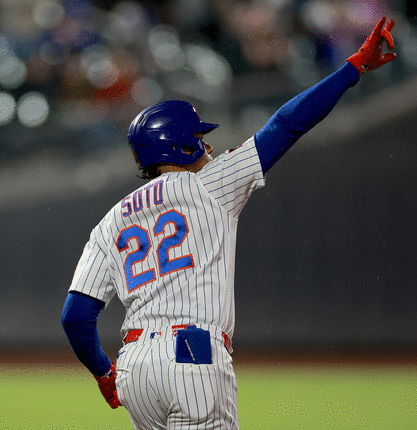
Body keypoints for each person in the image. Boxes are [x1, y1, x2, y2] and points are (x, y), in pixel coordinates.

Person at [61, 17, 396, 430]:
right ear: (182, 147)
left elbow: (76, 316)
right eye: (200, 140)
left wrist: (103, 373)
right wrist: (353, 67)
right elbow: (286, 124)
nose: (209, 147)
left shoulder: (109, 222)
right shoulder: (211, 184)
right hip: (192, 356)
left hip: (134, 367)